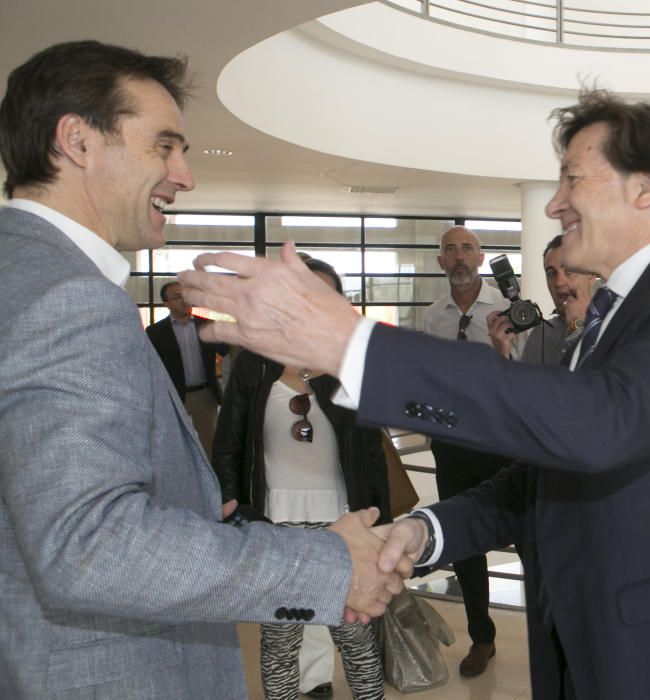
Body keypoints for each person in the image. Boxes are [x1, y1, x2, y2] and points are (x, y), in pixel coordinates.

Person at [181, 89, 650, 698]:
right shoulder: (602, 323)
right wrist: (423, 532)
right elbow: (543, 481)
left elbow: (601, 425)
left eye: (571, 179)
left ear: (645, 188)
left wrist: (351, 345)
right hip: (579, 647)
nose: (554, 202)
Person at [0, 40, 402, 699]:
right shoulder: (66, 298)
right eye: (164, 146)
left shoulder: (21, 273)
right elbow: (90, 546)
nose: (185, 175)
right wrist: (326, 565)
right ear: (76, 140)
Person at [213, 256, 389, 700]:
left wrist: (381, 521)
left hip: (341, 523)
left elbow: (371, 453)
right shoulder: (255, 363)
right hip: (275, 525)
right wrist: (234, 506)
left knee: (354, 636)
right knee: (279, 641)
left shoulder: (348, 366)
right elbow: (229, 442)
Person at [421, 225, 514, 676]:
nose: (458, 257)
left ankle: (553, 630)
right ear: (441, 261)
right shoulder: (433, 315)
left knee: (527, 535)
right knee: (464, 541)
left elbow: (525, 378)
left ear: (481, 258)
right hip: (453, 444)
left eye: (467, 249)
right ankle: (482, 637)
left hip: (501, 442)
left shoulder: (507, 309)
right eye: (450, 250)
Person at [488, 234, 596, 364]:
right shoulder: (541, 333)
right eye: (551, 273)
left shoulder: (616, 325)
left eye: (569, 270)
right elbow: (525, 384)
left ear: (591, 275)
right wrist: (502, 355)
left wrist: (577, 326)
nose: (559, 282)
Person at [147, 280, 226, 455]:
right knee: (173, 444)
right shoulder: (155, 332)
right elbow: (151, 366)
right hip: (172, 396)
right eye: (177, 297)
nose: (184, 301)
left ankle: (213, 481)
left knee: (210, 443)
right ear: (165, 303)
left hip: (204, 394)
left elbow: (225, 350)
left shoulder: (207, 324)